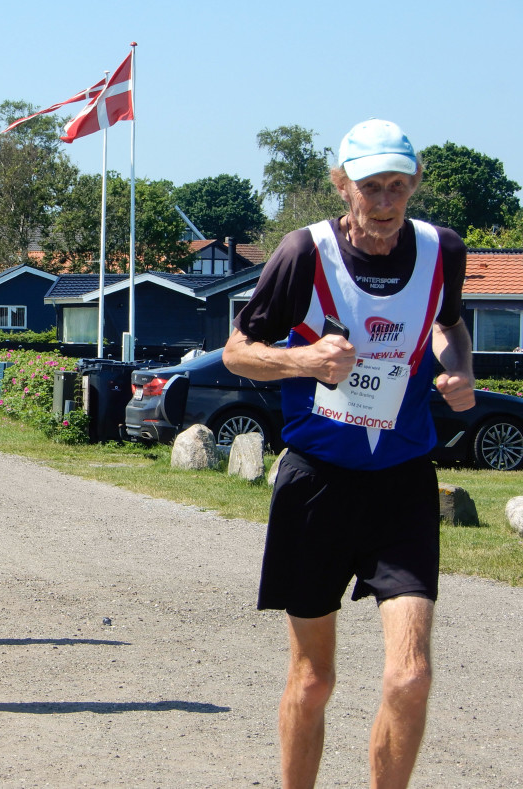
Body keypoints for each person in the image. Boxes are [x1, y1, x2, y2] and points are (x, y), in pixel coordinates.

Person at [221, 119, 475, 789]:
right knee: (313, 680)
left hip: (402, 482)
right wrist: (304, 359)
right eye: (370, 188)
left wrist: (460, 369)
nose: (385, 203)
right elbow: (237, 352)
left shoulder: (441, 250)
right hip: (317, 483)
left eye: (398, 186)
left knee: (411, 675)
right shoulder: (304, 253)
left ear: (414, 185)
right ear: (342, 185)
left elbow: (450, 325)